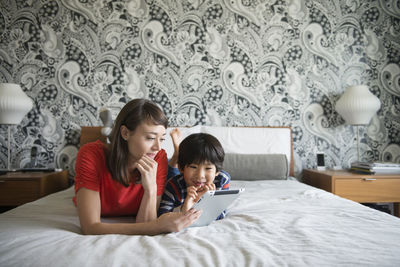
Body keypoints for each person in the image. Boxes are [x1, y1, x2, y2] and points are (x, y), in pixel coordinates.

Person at [73, 99, 202, 235]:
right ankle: (110, 129)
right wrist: (159, 226)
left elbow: (146, 225)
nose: (158, 147)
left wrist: (151, 189)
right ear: (125, 133)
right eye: (150, 138)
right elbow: (90, 227)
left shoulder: (158, 157)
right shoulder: (91, 155)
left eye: (162, 139)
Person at [158, 130, 231, 219]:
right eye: (193, 167)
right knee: (169, 174)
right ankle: (176, 155)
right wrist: (184, 209)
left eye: (208, 168)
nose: (200, 175)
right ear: (181, 168)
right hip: (179, 177)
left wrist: (208, 200)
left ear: (217, 172)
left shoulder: (221, 180)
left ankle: (178, 155)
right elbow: (161, 216)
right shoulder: (173, 185)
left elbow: (221, 214)